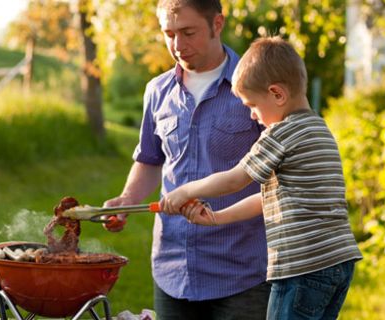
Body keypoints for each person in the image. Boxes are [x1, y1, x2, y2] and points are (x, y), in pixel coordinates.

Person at [161, 36, 364, 319]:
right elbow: (267, 198)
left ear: (277, 94)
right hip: (337, 264)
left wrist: (184, 191)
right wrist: (217, 218)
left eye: (253, 105)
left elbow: (235, 180)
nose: (253, 116)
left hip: (301, 267)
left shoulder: (280, 134)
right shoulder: (318, 129)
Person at [103, 1, 270, 319]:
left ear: (217, 24)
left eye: (188, 32)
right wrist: (127, 200)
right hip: (172, 269)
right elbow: (150, 160)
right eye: (169, 34)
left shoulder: (256, 86)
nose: (178, 45)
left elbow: (281, 168)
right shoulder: (157, 91)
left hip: (241, 271)